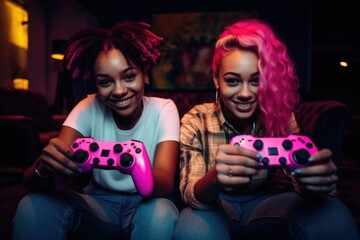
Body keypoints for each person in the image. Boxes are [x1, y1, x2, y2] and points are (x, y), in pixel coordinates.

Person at [173, 18, 359, 239]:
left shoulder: (278, 115)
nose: (244, 93)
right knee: (193, 227)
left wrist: (314, 183)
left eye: (255, 81)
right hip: (215, 205)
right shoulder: (195, 120)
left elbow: (298, 179)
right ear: (216, 79)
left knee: (331, 212)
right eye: (233, 81)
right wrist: (215, 178)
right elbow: (189, 193)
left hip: (264, 205)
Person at [12, 21, 180, 240]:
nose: (119, 91)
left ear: (145, 75)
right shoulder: (88, 107)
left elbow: (166, 182)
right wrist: (47, 167)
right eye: (106, 82)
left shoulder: (164, 109)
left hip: (146, 206)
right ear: (96, 83)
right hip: (99, 206)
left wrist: (135, 166)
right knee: (34, 204)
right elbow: (33, 182)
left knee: (161, 211)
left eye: (129, 77)